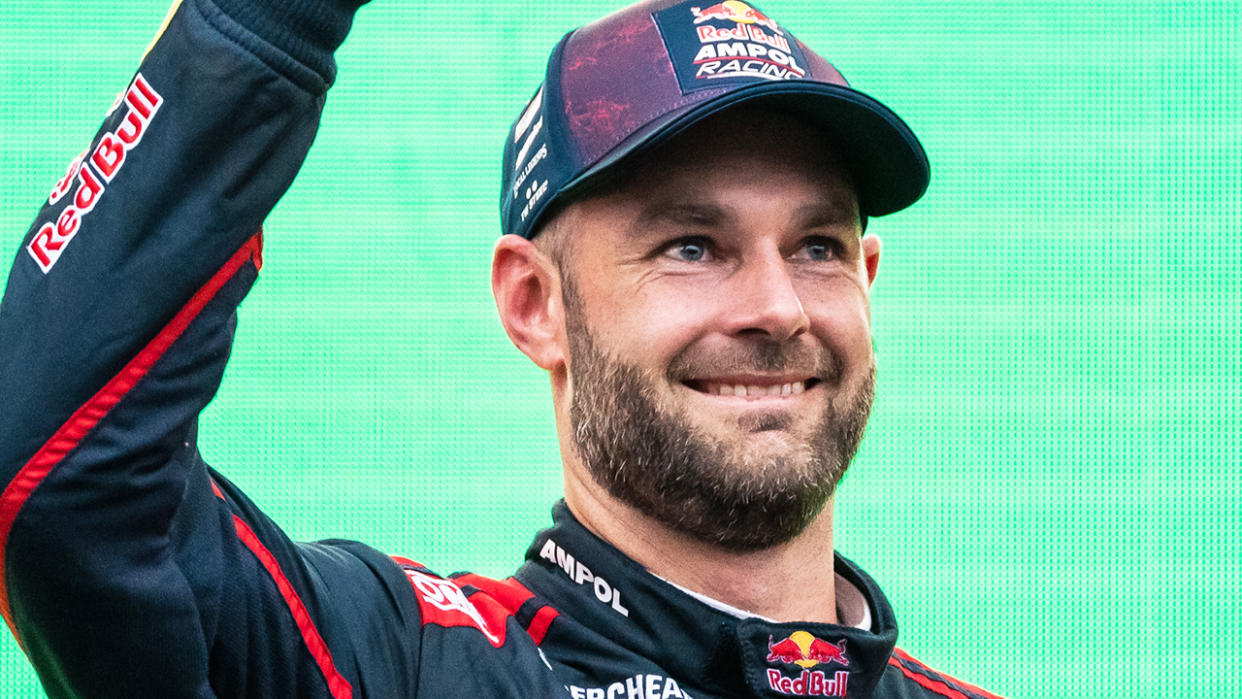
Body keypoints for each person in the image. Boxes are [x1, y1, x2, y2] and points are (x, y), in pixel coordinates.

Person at [0, 0, 1002, 697]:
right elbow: (59, 474)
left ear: (868, 279)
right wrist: (267, 21)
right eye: (691, 247)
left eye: (817, 246)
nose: (778, 306)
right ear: (534, 303)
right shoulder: (393, 663)